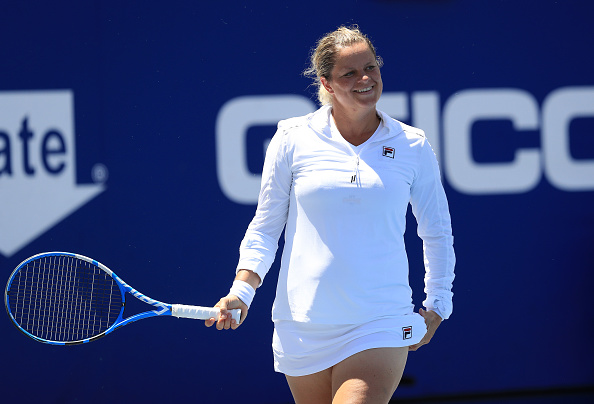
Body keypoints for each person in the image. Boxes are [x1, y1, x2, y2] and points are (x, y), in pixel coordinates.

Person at [205, 25, 455, 404]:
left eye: (371, 67)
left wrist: (438, 305)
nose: (365, 79)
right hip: (303, 324)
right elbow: (265, 227)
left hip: (382, 321)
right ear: (326, 83)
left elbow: (436, 231)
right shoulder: (292, 138)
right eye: (349, 73)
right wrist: (241, 291)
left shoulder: (412, 144)